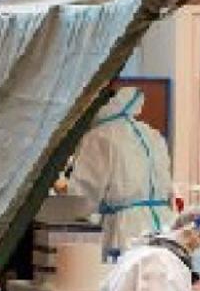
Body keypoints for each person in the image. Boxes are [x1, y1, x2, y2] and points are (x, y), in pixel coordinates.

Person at [56, 86, 175, 258]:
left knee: (127, 280)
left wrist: (64, 189)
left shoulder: (99, 137)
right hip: (164, 224)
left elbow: (84, 196)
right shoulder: (151, 133)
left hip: (126, 230)